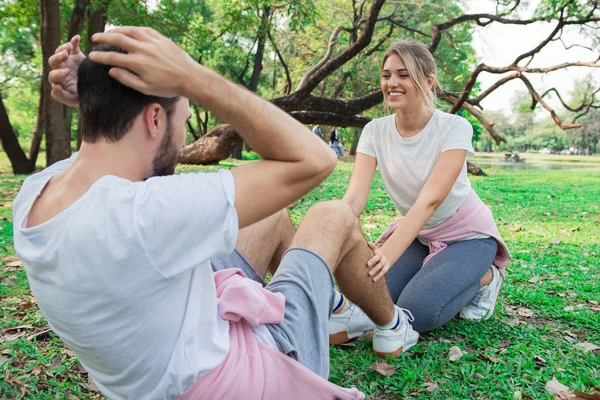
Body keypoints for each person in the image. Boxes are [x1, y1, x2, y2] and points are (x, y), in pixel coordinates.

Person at [13, 28, 411, 400]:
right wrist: (191, 77)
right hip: (248, 381)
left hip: (159, 362)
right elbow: (316, 159)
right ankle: (392, 327)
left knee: (269, 216)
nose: (186, 132)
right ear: (154, 119)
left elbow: (102, 156)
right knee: (331, 215)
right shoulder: (146, 214)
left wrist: (95, 89)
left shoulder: (35, 194)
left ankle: (332, 310)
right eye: (185, 118)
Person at [328, 41, 511, 350]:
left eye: (404, 74)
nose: (392, 83)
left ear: (427, 81)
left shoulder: (454, 128)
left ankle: (487, 278)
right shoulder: (374, 131)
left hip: (469, 237)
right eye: (387, 75)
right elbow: (354, 199)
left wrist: (386, 256)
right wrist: (333, 243)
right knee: (376, 300)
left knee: (418, 312)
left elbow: (429, 200)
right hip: (420, 234)